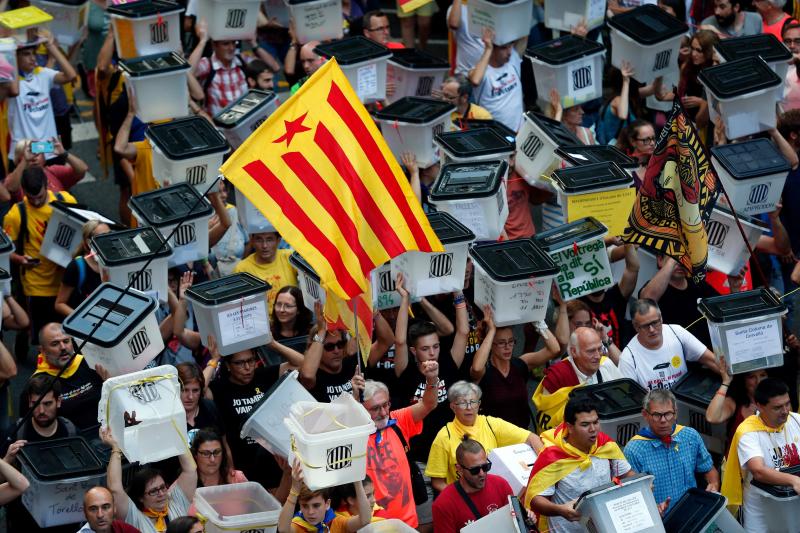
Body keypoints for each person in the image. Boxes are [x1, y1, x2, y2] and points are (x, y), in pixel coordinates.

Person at [525, 397, 635, 533]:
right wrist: (560, 510)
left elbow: (629, 476)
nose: (593, 429)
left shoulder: (605, 445)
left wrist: (641, 487)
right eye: (585, 424)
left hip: (606, 527)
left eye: (596, 422)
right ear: (569, 427)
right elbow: (536, 500)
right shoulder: (552, 457)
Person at [207, 335, 302, 490]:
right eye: (240, 363)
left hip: (275, 464)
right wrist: (214, 360)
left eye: (251, 360)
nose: (248, 367)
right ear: (228, 365)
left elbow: (303, 364)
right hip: (243, 470)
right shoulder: (219, 388)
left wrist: (273, 344)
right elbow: (197, 391)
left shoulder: (264, 376)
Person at [352, 365, 438, 527]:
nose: (384, 413)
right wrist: (354, 400)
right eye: (375, 408)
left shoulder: (398, 420)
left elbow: (429, 404)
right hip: (372, 525)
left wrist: (432, 380)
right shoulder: (352, 433)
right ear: (361, 409)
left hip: (407, 523)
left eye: (386, 405)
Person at [426, 381, 543, 492]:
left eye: (473, 402)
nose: (469, 407)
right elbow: (437, 482)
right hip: (465, 499)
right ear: (452, 407)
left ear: (479, 405)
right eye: (462, 403)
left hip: (493, 494)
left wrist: (547, 469)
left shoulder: (491, 424)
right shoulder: (444, 436)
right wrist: (460, 498)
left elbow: (532, 437)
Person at [3, 168, 77, 338]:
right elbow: (5, 253)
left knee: (69, 335)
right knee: (43, 337)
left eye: (40, 197)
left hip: (65, 282)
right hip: (37, 286)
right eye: (31, 198)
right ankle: (24, 338)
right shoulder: (16, 215)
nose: (36, 202)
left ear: (47, 185)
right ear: (23, 190)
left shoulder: (66, 200)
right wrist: (20, 259)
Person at [721, 378, 800, 529]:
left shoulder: (796, 420)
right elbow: (759, 471)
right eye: (777, 407)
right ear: (759, 406)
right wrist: (794, 481)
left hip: (793, 505)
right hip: (761, 509)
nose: (785, 411)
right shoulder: (748, 432)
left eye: (787, 404)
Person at [624, 389, 719, 510]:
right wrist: (652, 510)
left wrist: (713, 485)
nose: (663, 420)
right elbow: (631, 497)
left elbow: (709, 470)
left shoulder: (690, 436)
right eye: (657, 415)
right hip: (659, 520)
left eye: (668, 414)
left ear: (676, 413)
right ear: (645, 415)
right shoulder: (634, 450)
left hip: (691, 513)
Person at [470, 305, 560, 428]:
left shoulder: (521, 364)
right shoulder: (484, 371)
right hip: (494, 438)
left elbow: (554, 349)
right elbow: (476, 368)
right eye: (501, 343)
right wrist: (491, 331)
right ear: (491, 343)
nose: (508, 347)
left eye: (511, 341)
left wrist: (537, 321)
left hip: (522, 436)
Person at [101, 427, 197, 533]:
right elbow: (115, 488)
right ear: (141, 497)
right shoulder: (134, 517)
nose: (161, 493)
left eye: (163, 487)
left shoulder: (176, 503)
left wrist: (175, 433)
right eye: (153, 491)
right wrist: (115, 448)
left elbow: (190, 469)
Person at [533, 327, 624, 432]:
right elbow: (546, 426)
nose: (598, 356)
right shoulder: (557, 376)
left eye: (599, 349)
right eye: (591, 351)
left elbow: (624, 398)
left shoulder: (606, 364)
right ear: (574, 352)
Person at [8, 30, 77, 164]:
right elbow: (15, 90)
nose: (33, 58)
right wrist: (11, 51)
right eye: (26, 54)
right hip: (23, 152)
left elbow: (71, 76)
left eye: (34, 53)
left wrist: (51, 46)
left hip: (49, 149)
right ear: (15, 57)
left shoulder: (43, 74)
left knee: (55, 185)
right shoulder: (10, 81)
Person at [620, 299, 719, 390]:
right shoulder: (628, 357)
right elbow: (630, 399)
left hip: (684, 401)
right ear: (636, 327)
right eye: (645, 326)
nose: (652, 330)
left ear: (661, 318)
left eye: (655, 322)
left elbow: (713, 362)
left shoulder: (677, 332)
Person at [301, 306, 394, 402]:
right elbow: (307, 375)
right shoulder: (315, 375)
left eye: (340, 344)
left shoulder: (354, 363)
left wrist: (374, 312)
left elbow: (387, 341)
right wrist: (321, 331)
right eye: (329, 347)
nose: (336, 350)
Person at [189, 20, 280, 115]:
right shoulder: (208, 64)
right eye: (226, 44)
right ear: (214, 45)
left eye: (234, 43)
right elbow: (188, 71)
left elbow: (274, 67)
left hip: (242, 124)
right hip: (217, 126)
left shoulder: (242, 60)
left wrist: (254, 44)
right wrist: (202, 41)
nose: (232, 48)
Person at [431, 438, 514, 533]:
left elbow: (516, 520)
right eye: (474, 470)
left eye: (485, 467)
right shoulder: (443, 504)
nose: (482, 473)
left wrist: (527, 516)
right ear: (460, 469)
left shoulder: (500, 484)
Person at [30, 322, 103, 430]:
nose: (63, 347)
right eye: (55, 344)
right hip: (71, 440)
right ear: (42, 350)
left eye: (66, 341)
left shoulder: (91, 363)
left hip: (107, 431)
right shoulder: (37, 383)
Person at [278, 458, 373, 532]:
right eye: (305, 506)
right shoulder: (298, 526)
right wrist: (294, 490)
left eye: (316, 505)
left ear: (327, 504)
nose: (310, 512)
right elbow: (283, 529)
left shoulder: (337, 523)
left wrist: (357, 480)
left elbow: (365, 519)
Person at [705, 355, 769, 451]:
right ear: (743, 380)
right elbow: (712, 417)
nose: (758, 381)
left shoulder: (778, 401)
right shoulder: (734, 402)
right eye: (752, 377)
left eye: (763, 375)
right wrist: (726, 382)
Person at [469, 29, 523, 132]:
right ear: (493, 49)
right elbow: (475, 81)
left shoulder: (513, 60)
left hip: (519, 132)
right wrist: (488, 48)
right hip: (496, 136)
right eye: (503, 48)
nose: (509, 52)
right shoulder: (481, 71)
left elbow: (524, 34)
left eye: (510, 46)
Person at [5, 137, 88, 202]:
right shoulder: (15, 179)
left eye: (36, 153)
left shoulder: (52, 171)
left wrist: (64, 154)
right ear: (19, 160)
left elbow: (82, 169)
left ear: (44, 157)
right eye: (26, 154)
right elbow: (11, 187)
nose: (33, 158)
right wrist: (25, 161)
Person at [54, 219, 110, 317]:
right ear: (89, 243)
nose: (109, 240)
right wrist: (81, 319)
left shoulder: (114, 264)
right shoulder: (76, 267)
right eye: (102, 237)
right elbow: (59, 304)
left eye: (110, 235)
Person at [233, 231, 298, 313]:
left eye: (269, 240)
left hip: (291, 318)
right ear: (252, 241)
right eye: (259, 240)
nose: (264, 245)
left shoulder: (290, 258)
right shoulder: (242, 269)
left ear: (278, 241)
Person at [175, 363, 223, 440]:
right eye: (184, 390)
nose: (190, 397)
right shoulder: (167, 418)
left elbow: (224, 443)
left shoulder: (210, 408)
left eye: (195, 390)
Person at [446, 0, 484, 75]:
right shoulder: (457, 8)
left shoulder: (493, 8)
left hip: (491, 73)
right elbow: (454, 24)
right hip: (466, 73)